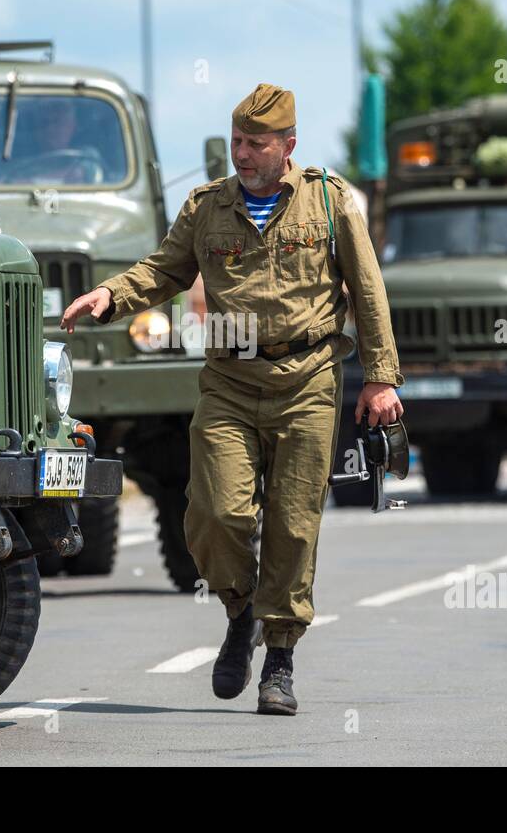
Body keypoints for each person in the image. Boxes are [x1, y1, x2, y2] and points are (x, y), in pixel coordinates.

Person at [60, 83, 403, 714]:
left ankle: (279, 659)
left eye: (256, 144)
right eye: (238, 141)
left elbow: (369, 288)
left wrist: (382, 377)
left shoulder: (330, 202)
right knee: (216, 512)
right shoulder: (206, 207)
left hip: (308, 380)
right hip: (229, 381)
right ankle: (240, 611)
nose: (242, 154)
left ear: (288, 146)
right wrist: (111, 296)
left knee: (294, 526)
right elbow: (165, 270)